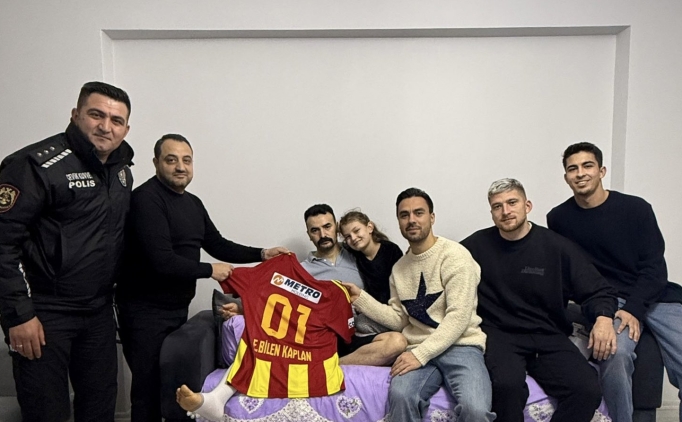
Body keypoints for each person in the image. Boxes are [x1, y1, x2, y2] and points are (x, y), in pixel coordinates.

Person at [115, 133, 288, 422]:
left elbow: (217, 244)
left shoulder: (193, 203)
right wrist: (209, 270)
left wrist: (262, 253)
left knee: (170, 385)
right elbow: (161, 261)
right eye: (171, 160)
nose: (180, 167)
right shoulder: (146, 199)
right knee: (147, 389)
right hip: (144, 311)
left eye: (187, 160)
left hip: (176, 308)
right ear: (156, 162)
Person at [0, 81, 134, 422]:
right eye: (96, 115)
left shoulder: (121, 170)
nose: (106, 126)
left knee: (100, 407)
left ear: (126, 129)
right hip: (45, 313)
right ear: (76, 115)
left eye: (116, 120)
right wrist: (18, 316)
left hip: (99, 312)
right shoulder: (34, 165)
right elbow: (2, 243)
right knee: (47, 411)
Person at [460, 178, 618, 422]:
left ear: (528, 206)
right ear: (492, 213)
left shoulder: (557, 247)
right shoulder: (474, 247)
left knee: (587, 390)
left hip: (548, 333)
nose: (505, 211)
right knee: (506, 387)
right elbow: (440, 263)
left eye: (512, 203)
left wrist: (604, 318)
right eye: (497, 206)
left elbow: (597, 290)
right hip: (500, 334)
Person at [547, 142, 682, 422]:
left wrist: (634, 309)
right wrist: (599, 312)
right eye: (573, 168)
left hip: (656, 296)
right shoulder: (559, 219)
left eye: (587, 166)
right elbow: (570, 274)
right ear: (566, 177)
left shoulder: (636, 209)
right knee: (614, 354)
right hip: (608, 298)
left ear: (602, 171)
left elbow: (655, 268)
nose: (580, 173)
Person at [344, 188, 495, 422]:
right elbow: (399, 320)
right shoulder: (399, 268)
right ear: (399, 222)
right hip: (417, 344)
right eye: (404, 215)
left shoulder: (455, 255)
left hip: (461, 345)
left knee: (475, 409)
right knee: (401, 396)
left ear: (431, 217)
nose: (411, 220)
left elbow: (459, 316)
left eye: (418, 213)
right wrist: (360, 299)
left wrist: (420, 355)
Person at [301, 204, 406, 366]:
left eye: (327, 226)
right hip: (329, 336)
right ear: (309, 234)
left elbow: (384, 259)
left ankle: (333, 365)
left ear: (336, 228)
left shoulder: (358, 254)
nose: (323, 234)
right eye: (315, 230)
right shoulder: (302, 270)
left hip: (360, 332)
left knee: (397, 342)